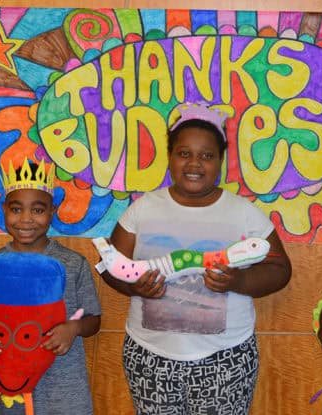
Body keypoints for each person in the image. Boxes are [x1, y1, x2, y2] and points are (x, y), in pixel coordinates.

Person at [99, 103, 292, 414]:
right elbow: (110, 265)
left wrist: (240, 280)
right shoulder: (143, 208)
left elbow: (280, 268)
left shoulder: (243, 213)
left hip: (225, 357)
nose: (194, 163)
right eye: (184, 153)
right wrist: (135, 288)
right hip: (150, 355)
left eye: (207, 155)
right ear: (170, 157)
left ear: (220, 162)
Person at [0, 159, 102, 414]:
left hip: (64, 391)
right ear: (4, 209)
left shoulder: (73, 264)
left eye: (37, 210)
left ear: (52, 211)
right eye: (16, 209)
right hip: (13, 388)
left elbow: (93, 320)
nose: (26, 219)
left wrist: (73, 327)